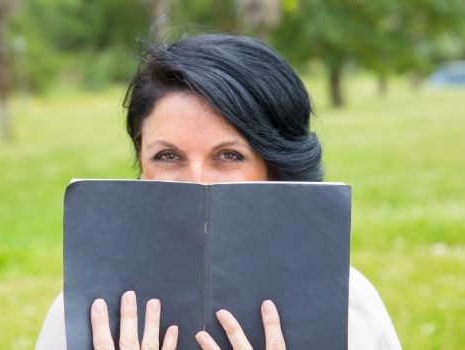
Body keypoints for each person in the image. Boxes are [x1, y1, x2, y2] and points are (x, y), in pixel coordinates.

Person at [36, 34, 402, 349]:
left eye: (229, 155)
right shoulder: (85, 314)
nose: (197, 182)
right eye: (167, 155)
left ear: (275, 168)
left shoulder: (348, 306)